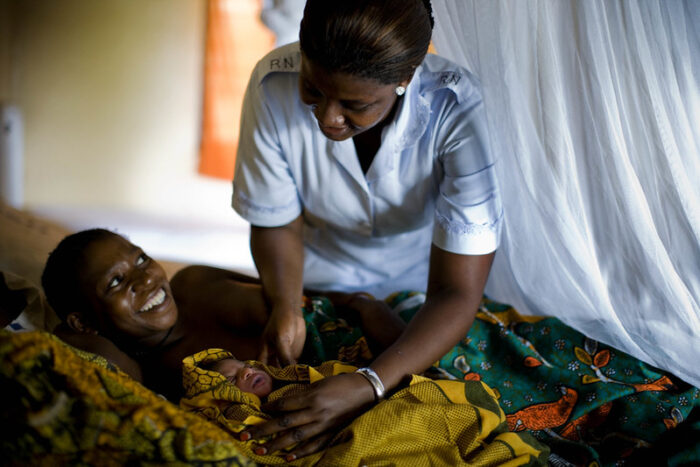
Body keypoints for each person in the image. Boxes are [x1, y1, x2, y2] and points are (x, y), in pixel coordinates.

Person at [231, 0, 502, 457]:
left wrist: (369, 383)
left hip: (421, 289)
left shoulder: (454, 106)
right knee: (196, 290)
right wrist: (286, 305)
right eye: (313, 90)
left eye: (355, 105)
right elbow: (276, 221)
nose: (327, 118)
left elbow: (457, 292)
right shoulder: (271, 84)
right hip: (311, 278)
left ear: (407, 75)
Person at [41, 228, 404, 400]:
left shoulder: (194, 280)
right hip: (373, 385)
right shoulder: (160, 378)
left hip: (389, 326)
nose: (146, 278)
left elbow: (299, 296)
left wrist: (363, 304)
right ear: (84, 321)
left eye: (140, 258)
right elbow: (62, 342)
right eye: (116, 282)